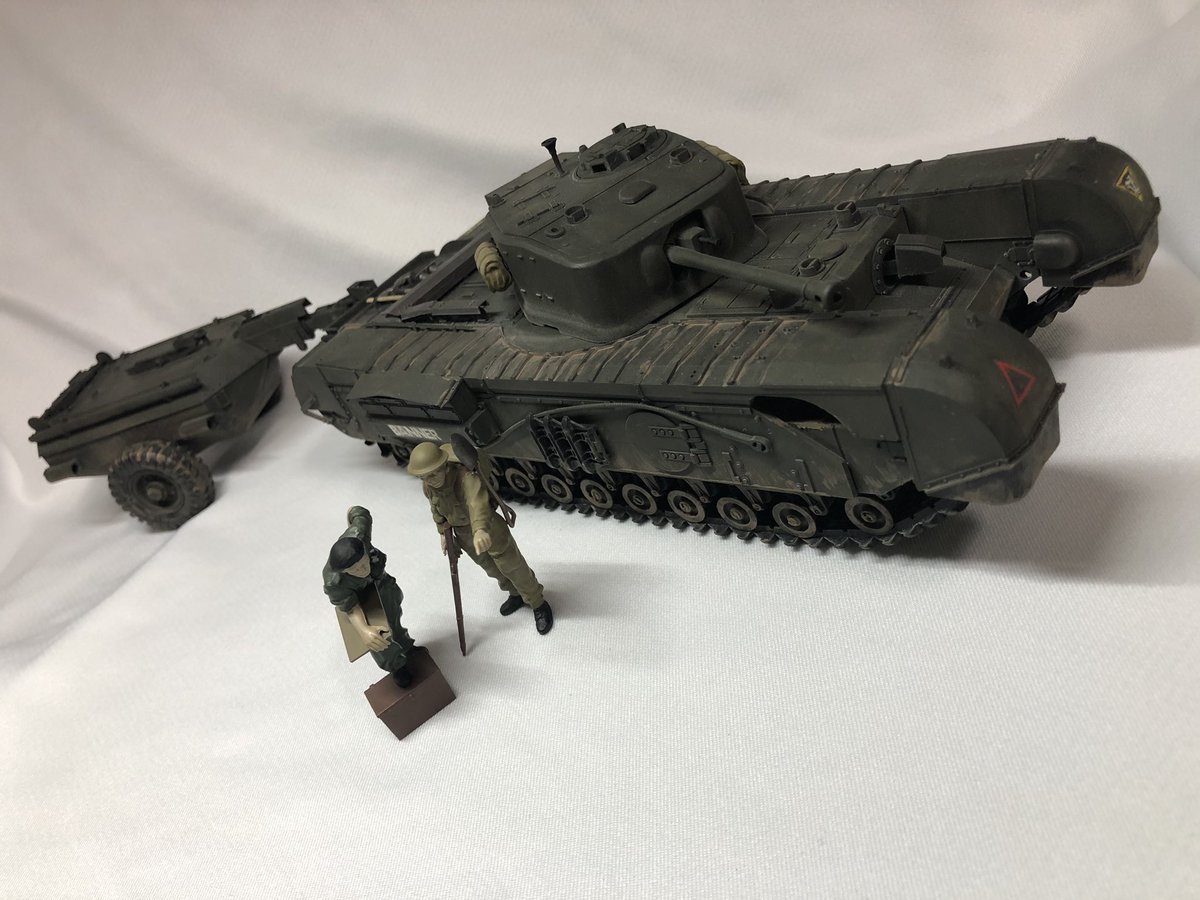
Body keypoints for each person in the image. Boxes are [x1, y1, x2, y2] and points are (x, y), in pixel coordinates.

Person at [407, 442, 553, 635]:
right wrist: (443, 533)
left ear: (444, 466)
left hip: (489, 529)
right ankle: (515, 593)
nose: (429, 480)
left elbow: (478, 505)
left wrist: (480, 530)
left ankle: (537, 603)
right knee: (492, 569)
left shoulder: (466, 478)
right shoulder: (429, 487)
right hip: (464, 535)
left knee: (512, 566)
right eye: (423, 477)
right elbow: (436, 510)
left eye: (433, 474)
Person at [323, 506, 417, 687]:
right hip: (360, 600)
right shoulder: (335, 583)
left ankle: (406, 647)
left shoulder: (360, 534)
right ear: (345, 571)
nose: (362, 569)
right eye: (355, 569)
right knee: (379, 636)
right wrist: (364, 630)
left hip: (381, 583)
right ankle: (396, 666)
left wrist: (350, 516)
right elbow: (351, 608)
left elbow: (359, 512)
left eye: (363, 563)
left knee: (394, 617)